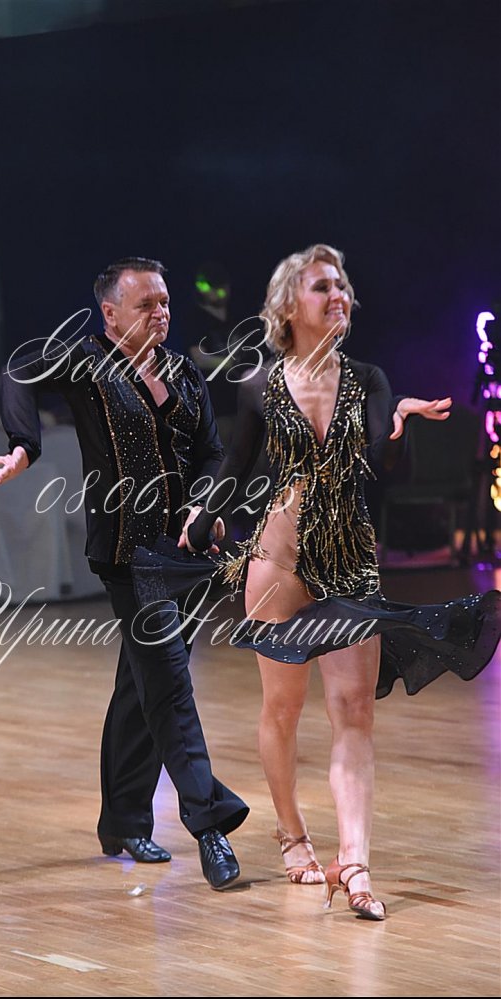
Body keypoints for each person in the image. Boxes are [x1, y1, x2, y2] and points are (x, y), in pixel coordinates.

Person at [172, 244, 499, 920]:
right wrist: (203, 513)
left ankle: (355, 865)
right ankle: (293, 836)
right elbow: (236, 465)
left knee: (354, 712)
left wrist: (399, 429)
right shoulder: (258, 383)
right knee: (283, 709)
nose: (339, 294)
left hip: (350, 563)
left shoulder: (370, 380)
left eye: (343, 284)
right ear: (289, 304)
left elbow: (382, 467)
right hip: (278, 562)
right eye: (323, 285)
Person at [0, 256, 248, 890]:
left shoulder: (182, 371)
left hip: (187, 555)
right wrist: (25, 444)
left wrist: (204, 504)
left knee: (143, 685)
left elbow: (212, 452)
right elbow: (18, 368)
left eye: (165, 302)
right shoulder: (86, 362)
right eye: (145, 304)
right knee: (170, 684)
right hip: (129, 553)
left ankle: (125, 821)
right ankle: (209, 823)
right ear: (109, 312)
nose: (161, 313)